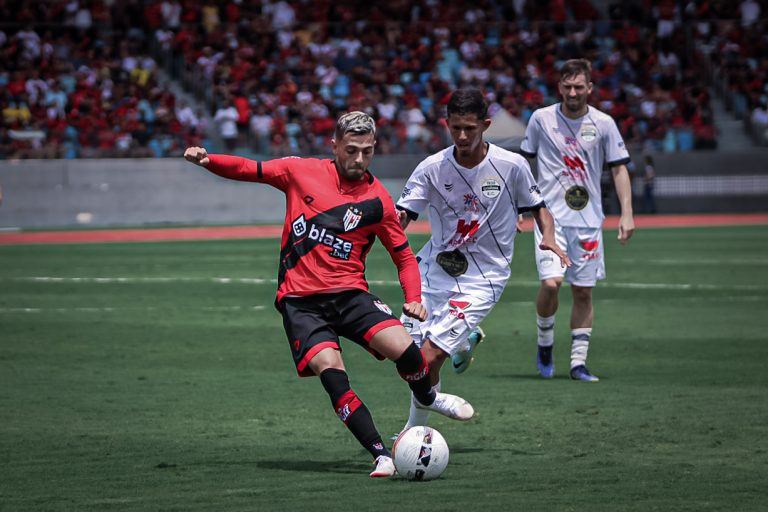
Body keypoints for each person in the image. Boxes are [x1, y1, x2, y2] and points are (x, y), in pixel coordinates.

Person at [183, 111, 473, 478]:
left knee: (406, 350)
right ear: (334, 146)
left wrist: (413, 297)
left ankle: (428, 397)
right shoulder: (299, 171)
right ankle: (381, 455)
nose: (359, 159)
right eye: (351, 150)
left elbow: (402, 256)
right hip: (301, 303)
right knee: (332, 374)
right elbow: (250, 169)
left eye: (367, 151)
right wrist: (209, 160)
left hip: (350, 294)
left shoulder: (379, 201)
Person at [395, 89, 570, 431]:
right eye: (456, 128)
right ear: (446, 124)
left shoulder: (511, 165)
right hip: (433, 268)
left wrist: (548, 235)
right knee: (408, 359)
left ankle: (413, 435)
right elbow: (404, 213)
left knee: (428, 359)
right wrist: (391, 222)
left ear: (486, 125)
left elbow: (538, 207)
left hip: (483, 277)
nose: (462, 136)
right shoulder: (431, 168)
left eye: (470, 128)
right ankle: (463, 339)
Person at [519, 58, 635, 382]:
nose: (573, 92)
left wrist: (627, 213)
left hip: (588, 221)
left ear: (590, 88)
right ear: (559, 87)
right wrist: (519, 207)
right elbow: (523, 165)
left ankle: (578, 363)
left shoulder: (604, 123)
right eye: (567, 86)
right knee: (551, 283)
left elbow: (619, 168)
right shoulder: (541, 119)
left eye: (579, 86)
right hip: (549, 219)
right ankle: (545, 342)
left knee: (583, 292)